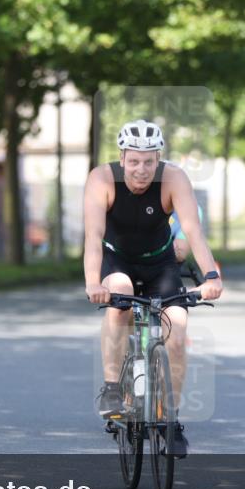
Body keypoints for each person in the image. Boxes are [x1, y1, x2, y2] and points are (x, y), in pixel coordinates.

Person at [84, 119, 223, 458]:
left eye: (149, 162)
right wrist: (92, 282)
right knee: (120, 298)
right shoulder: (102, 179)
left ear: (159, 158)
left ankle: (169, 421)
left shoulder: (173, 178)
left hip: (160, 263)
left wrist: (211, 275)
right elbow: (92, 237)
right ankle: (113, 389)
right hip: (117, 261)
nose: (141, 170)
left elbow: (192, 229)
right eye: (134, 161)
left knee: (177, 326)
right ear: (121, 157)